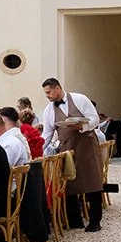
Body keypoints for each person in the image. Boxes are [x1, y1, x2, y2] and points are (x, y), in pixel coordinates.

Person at [40, 78, 104, 232]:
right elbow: (47, 134)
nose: (47, 96)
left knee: (92, 182)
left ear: (57, 88)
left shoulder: (80, 99)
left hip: (87, 146)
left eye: (49, 92)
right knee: (69, 184)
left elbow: (95, 120)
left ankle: (95, 221)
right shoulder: (48, 111)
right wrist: (37, 149)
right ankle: (74, 220)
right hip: (66, 149)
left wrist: (82, 126)